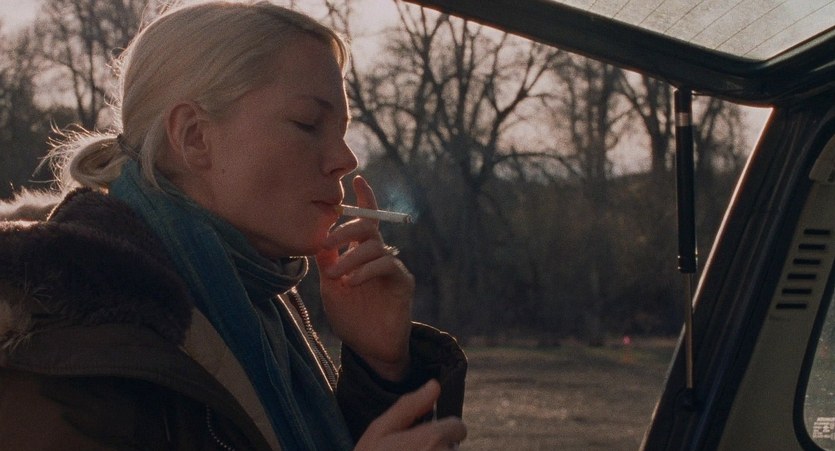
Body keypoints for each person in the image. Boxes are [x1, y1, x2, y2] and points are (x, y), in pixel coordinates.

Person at [0, 1, 467, 449]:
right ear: (195, 137)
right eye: (308, 123)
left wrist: (379, 367)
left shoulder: (258, 306)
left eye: (343, 132)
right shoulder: (71, 343)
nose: (346, 160)